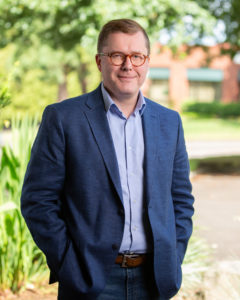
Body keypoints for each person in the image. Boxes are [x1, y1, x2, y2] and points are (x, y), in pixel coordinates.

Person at [21, 19, 194, 300]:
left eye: (137, 56)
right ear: (100, 62)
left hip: (154, 281)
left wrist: (173, 257)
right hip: (91, 281)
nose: (128, 65)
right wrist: (69, 265)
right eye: (117, 55)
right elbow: (38, 201)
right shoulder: (64, 118)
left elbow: (181, 200)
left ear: (147, 61)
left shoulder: (169, 122)